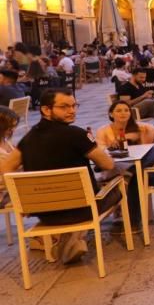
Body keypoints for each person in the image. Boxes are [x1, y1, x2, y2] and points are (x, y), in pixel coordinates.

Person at [0, 89, 125, 264]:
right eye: (64, 107)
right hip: (82, 210)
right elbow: (107, 165)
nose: (72, 110)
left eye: (74, 105)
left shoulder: (28, 139)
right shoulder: (77, 134)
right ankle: (130, 229)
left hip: (46, 215)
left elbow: (6, 167)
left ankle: (69, 237)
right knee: (124, 176)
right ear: (46, 110)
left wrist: (22, 196)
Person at [97, 100, 154, 167]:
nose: (123, 113)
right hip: (117, 164)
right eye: (118, 111)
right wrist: (111, 146)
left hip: (140, 161)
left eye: (126, 110)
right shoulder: (103, 131)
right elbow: (100, 151)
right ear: (111, 114)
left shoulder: (139, 126)